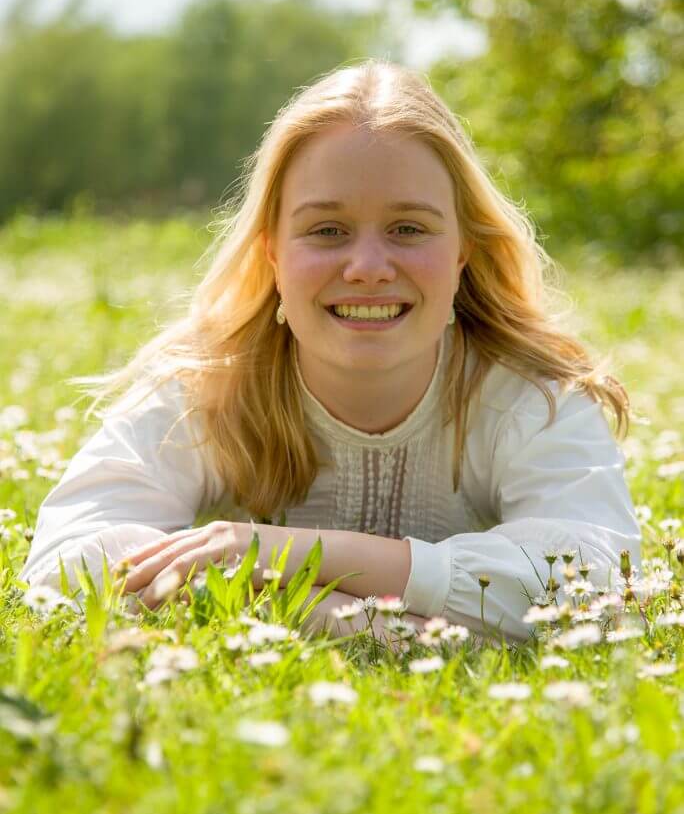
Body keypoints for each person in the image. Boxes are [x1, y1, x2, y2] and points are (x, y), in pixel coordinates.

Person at [20, 59, 642, 645]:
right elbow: (65, 563)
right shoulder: (202, 390)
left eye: (408, 228)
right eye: (327, 231)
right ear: (273, 254)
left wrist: (269, 554)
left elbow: (599, 581)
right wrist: (359, 623)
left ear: (461, 253)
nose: (368, 267)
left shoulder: (528, 397)